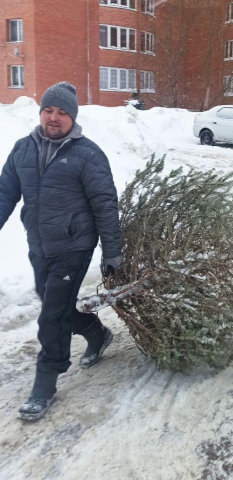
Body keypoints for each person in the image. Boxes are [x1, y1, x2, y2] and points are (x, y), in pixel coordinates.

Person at [0, 82, 123, 420]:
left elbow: (105, 205)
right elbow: (4, 194)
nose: (53, 117)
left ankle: (45, 384)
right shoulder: (22, 149)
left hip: (74, 245)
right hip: (39, 245)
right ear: (41, 112)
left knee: (51, 315)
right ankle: (98, 335)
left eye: (62, 112)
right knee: (57, 304)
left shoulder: (87, 154)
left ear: (73, 117)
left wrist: (112, 252)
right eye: (48, 110)